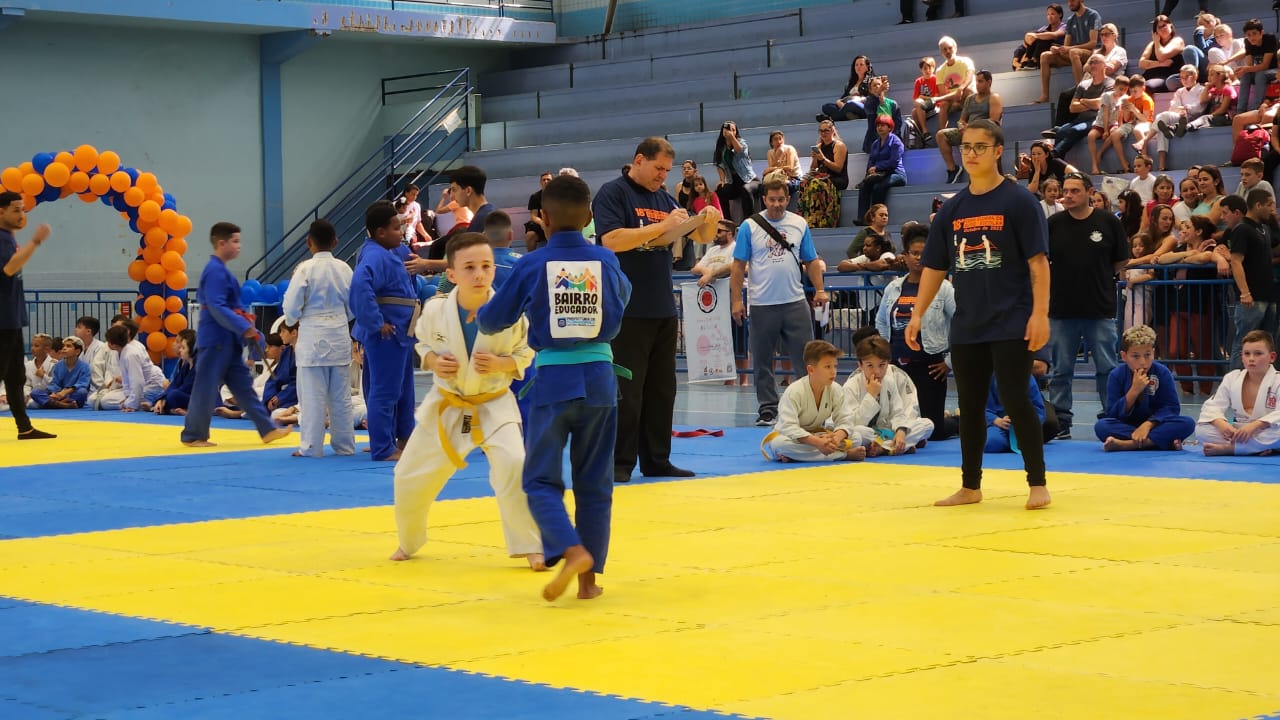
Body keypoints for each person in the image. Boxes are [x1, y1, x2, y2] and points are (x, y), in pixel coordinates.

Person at [477, 175, 632, 602]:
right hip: (600, 380)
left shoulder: (531, 264)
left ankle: (570, 548)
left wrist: (480, 314)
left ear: (541, 218)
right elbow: (618, 316)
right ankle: (588, 581)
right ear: (589, 218)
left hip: (553, 383)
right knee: (595, 484)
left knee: (541, 481)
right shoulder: (606, 261)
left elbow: (494, 320)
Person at [905, 119, 1051, 510]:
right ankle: (971, 485)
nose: (970, 153)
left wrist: (1040, 314)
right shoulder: (953, 208)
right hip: (968, 322)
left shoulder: (1020, 201)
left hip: (1011, 318)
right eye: (966, 147)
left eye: (979, 147)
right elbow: (934, 268)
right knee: (969, 406)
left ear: (998, 150)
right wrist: (918, 314)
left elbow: (1039, 264)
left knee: (1017, 399)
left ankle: (1037, 482)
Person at [391, 232, 543, 569]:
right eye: (470, 267)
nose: (479, 274)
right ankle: (409, 540)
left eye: (486, 266)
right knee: (407, 476)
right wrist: (432, 361)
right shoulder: (435, 310)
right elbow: (422, 344)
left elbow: (525, 353)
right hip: (447, 401)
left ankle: (530, 545)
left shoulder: (510, 312)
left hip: (493, 403)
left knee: (514, 464)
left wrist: (502, 364)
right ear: (451, 273)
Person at [595, 138, 719, 484]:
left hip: (663, 304)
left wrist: (706, 218)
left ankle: (657, 460)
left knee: (663, 390)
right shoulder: (614, 193)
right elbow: (611, 240)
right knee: (628, 392)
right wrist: (663, 227)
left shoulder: (664, 198)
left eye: (667, 170)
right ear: (639, 160)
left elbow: (692, 236)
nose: (662, 176)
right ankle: (620, 463)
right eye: (658, 168)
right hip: (627, 307)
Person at [182, 223, 292, 447]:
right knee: (205, 387)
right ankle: (193, 434)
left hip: (227, 340)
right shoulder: (214, 271)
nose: (239, 246)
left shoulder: (221, 271)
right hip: (215, 339)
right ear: (221, 243)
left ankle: (267, 429)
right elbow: (216, 306)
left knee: (243, 387)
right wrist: (243, 326)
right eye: (235, 241)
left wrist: (244, 330)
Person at [730, 178, 829, 426]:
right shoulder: (749, 227)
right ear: (764, 199)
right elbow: (738, 265)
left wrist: (820, 290)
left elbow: (811, 260)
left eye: (781, 199)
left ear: (788, 199)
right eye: (772, 199)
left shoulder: (799, 223)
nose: (776, 204)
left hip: (795, 301)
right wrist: (736, 301)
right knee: (763, 361)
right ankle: (768, 409)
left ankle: (811, 409)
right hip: (762, 303)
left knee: (807, 360)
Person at [1045, 172, 1128, 439]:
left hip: (1099, 308)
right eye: (1065, 191)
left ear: (1090, 192)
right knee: (1060, 370)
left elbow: (1120, 261)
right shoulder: (1053, 224)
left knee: (1107, 367)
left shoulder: (1107, 222)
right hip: (1062, 309)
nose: (1067, 195)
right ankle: (1061, 421)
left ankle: (1112, 417)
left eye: (1074, 191)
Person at [282, 218, 356, 458]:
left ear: (308, 242)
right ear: (335, 242)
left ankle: (311, 447)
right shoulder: (344, 268)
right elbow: (354, 304)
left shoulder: (304, 269)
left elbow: (291, 307)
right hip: (338, 333)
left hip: (312, 335)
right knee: (341, 397)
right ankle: (345, 446)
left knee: (312, 397)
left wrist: (294, 319)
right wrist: (340, 317)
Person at [350, 202, 417, 461]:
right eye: (396, 228)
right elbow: (359, 286)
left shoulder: (391, 252)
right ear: (380, 232)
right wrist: (376, 323)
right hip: (387, 331)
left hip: (400, 331)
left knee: (401, 390)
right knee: (385, 390)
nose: (401, 232)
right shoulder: (375, 255)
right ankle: (383, 446)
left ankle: (401, 438)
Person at [877, 223, 955, 441]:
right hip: (899, 366)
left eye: (924, 253)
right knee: (899, 423)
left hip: (931, 366)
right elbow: (882, 322)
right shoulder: (893, 288)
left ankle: (956, 421)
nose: (918, 258)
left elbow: (962, 321)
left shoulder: (943, 288)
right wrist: (885, 358)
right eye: (914, 253)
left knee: (935, 432)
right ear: (905, 255)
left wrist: (949, 362)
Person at [0, 192, 55, 439]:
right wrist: (36, 242)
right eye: (16, 210)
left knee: (16, 376)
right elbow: (10, 268)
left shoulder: (8, 237)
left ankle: (25, 428)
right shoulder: (1, 238)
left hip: (10, 317)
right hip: (2, 320)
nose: (21, 215)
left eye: (23, 209)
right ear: (1, 211)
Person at [1096, 324, 1196, 450]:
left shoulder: (1162, 373)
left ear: (1153, 353)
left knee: (1187, 423)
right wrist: (1133, 391)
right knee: (1102, 426)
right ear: (1124, 356)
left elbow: (1171, 408)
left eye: (1147, 355)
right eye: (1135, 356)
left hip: (1156, 425)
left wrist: (1148, 425)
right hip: (1127, 425)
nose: (1142, 362)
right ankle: (1158, 442)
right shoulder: (1116, 375)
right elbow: (1112, 414)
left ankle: (1128, 445)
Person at [762, 340, 865, 462]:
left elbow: (845, 419)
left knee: (857, 437)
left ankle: (798, 457)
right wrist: (817, 443)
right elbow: (789, 427)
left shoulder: (835, 389)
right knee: (779, 445)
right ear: (811, 370)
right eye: (827, 367)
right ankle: (843, 455)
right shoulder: (794, 391)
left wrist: (836, 438)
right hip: (793, 438)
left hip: (817, 436)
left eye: (835, 366)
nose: (833, 372)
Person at [843, 335, 935, 456]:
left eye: (882, 365)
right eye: (870, 365)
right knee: (857, 433)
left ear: (888, 363)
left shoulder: (889, 381)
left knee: (927, 424)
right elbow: (854, 423)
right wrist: (871, 395)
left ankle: (884, 448)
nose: (877, 372)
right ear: (860, 365)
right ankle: (899, 446)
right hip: (868, 433)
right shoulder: (851, 385)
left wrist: (901, 431)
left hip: (887, 432)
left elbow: (898, 412)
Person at [1197, 329, 1280, 455]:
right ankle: (1256, 448)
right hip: (1239, 432)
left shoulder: (1277, 380)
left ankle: (1231, 449)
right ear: (1241, 356)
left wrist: (1256, 424)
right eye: (1247, 354)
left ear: (1272, 357)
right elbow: (1212, 406)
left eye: (1258, 354)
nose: (1251, 358)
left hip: (1267, 429)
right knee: (1202, 429)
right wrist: (1221, 423)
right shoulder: (1232, 378)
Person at [1227, 192, 1279, 369]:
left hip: (1268, 295)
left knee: (1266, 342)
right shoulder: (1242, 229)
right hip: (1251, 297)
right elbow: (1236, 261)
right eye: (1269, 204)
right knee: (1243, 342)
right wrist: (1245, 292)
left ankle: (1262, 382)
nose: (1272, 209)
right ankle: (1234, 384)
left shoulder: (1264, 228)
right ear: (1258, 205)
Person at [1041, 53, 1115, 162]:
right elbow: (1072, 108)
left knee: (1074, 130)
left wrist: (1083, 101)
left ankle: (1054, 155)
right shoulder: (1083, 84)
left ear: (1105, 65)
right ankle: (1056, 164)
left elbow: (1101, 104)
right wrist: (1092, 105)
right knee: (1061, 132)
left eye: (1096, 62)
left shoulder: (1110, 83)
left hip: (1097, 120)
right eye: (1091, 62)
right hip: (1081, 119)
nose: (1093, 65)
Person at [938, 70, 1002, 184]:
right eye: (976, 81)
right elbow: (962, 119)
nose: (977, 84)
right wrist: (962, 126)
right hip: (967, 132)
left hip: (984, 133)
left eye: (981, 81)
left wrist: (972, 128)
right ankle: (953, 169)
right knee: (941, 135)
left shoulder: (994, 97)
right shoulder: (970, 99)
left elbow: (994, 122)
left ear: (989, 82)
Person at [1034, 0, 1102, 104]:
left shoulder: (1093, 15)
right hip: (1074, 54)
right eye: (1069, 1)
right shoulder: (1071, 20)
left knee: (1073, 52)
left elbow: (1093, 43)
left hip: (1090, 53)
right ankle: (1045, 96)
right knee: (1045, 55)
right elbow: (1066, 46)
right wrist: (1058, 49)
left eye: (1073, 0)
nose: (1070, 3)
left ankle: (1081, 92)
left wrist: (1069, 49)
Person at [858, 116, 907, 218]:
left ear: (890, 127)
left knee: (879, 187)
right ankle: (863, 218)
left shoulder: (896, 142)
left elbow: (894, 162)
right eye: (878, 125)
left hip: (896, 173)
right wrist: (870, 171)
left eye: (883, 125)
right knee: (864, 186)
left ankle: (876, 217)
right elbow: (871, 161)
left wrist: (877, 167)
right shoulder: (875, 144)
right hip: (879, 174)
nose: (879, 128)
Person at [984, 374, 1047, 453]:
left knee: (1050, 427)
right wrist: (995, 420)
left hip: (1024, 422)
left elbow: (1039, 409)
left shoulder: (1027, 377)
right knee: (991, 443)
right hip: (996, 423)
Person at [1228, 19, 1278, 114]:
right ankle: (1240, 111)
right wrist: (1242, 70)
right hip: (1262, 70)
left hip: (1275, 70)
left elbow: (1265, 65)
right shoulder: (1248, 42)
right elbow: (1249, 65)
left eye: (1254, 33)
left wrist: (1246, 68)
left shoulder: (1270, 39)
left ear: (1261, 32)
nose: (1251, 37)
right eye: (1249, 35)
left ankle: (1255, 109)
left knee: (1261, 74)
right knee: (1246, 75)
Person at [713, 120, 758, 223]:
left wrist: (731, 138)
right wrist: (722, 180)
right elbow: (719, 165)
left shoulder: (742, 142)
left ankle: (749, 221)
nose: (730, 131)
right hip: (733, 181)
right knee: (720, 190)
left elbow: (739, 150)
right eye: (728, 129)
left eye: (733, 130)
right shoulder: (721, 147)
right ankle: (727, 220)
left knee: (746, 189)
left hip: (749, 179)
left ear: (736, 132)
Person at [30, 336, 89, 409]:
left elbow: (82, 383)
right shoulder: (58, 365)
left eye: (68, 346)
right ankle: (64, 405)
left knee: (82, 392)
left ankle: (56, 404)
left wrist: (65, 392)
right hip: (59, 395)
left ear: (77, 351)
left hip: (71, 395)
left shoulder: (84, 366)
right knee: (35, 392)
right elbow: (55, 383)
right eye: (63, 346)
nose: (64, 348)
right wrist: (55, 394)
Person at [934, 37, 975, 130]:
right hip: (952, 98)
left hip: (966, 93)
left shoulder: (966, 61)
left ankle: (963, 123)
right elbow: (942, 93)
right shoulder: (940, 70)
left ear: (955, 48)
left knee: (968, 91)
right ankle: (942, 132)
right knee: (944, 104)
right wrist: (954, 97)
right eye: (944, 49)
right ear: (941, 52)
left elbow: (970, 77)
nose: (948, 51)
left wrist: (960, 89)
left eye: (950, 48)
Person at [153, 329, 197, 415]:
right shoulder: (186, 365)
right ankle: (162, 406)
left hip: (202, 400)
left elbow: (185, 388)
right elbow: (175, 384)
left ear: (192, 350)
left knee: (174, 395)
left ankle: (166, 408)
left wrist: (165, 398)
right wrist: (161, 399)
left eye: (183, 348)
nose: (180, 350)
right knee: (165, 395)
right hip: (187, 396)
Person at [819, 55, 875, 121]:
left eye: (861, 64)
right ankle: (849, 116)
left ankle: (831, 119)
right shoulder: (851, 83)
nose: (858, 67)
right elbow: (843, 98)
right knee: (826, 106)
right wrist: (839, 102)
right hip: (847, 106)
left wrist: (860, 99)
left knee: (851, 104)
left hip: (863, 107)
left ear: (867, 67)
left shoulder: (872, 81)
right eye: (856, 65)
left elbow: (873, 98)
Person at [1013, 4, 1067, 71]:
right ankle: (1027, 60)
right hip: (1041, 51)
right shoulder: (1044, 28)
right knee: (1023, 46)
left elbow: (1055, 35)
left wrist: (1036, 36)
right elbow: (1030, 38)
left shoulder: (1064, 26)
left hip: (1056, 50)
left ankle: (1035, 61)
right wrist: (1028, 36)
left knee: (1043, 37)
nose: (1050, 17)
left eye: (1052, 14)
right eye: (1048, 14)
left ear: (1060, 15)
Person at [525, 171, 554, 249]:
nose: (546, 181)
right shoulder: (535, 197)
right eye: (543, 180)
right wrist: (542, 223)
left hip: (555, 224)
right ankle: (531, 258)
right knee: (530, 235)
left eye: (548, 180)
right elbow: (533, 216)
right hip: (540, 225)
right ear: (540, 182)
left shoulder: (558, 196)